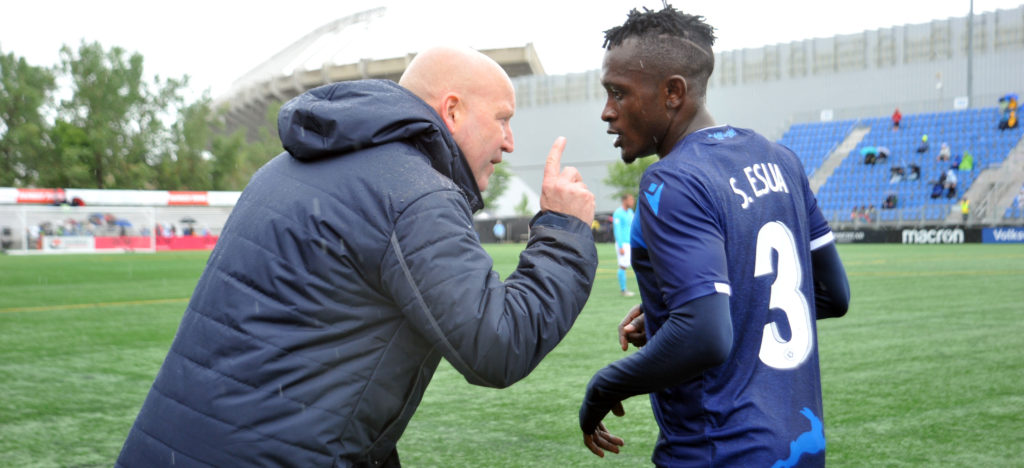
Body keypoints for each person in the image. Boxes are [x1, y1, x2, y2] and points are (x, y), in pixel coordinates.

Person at [116, 46, 599, 467]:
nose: (510, 141)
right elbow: (497, 345)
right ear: (451, 111)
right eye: (502, 119)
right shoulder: (412, 192)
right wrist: (562, 229)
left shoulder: (290, 165)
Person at [578, 7, 850, 467]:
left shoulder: (673, 181)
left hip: (720, 451)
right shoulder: (782, 160)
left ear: (673, 93)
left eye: (618, 93)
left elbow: (706, 337)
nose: (607, 112)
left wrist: (604, 386)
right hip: (802, 446)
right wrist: (678, 311)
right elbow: (832, 293)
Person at [612, 193, 636, 296]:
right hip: (623, 244)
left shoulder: (630, 212)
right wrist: (621, 246)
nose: (633, 202)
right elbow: (617, 230)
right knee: (623, 266)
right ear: (625, 201)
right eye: (631, 200)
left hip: (631, 242)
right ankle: (623, 289)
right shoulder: (618, 213)